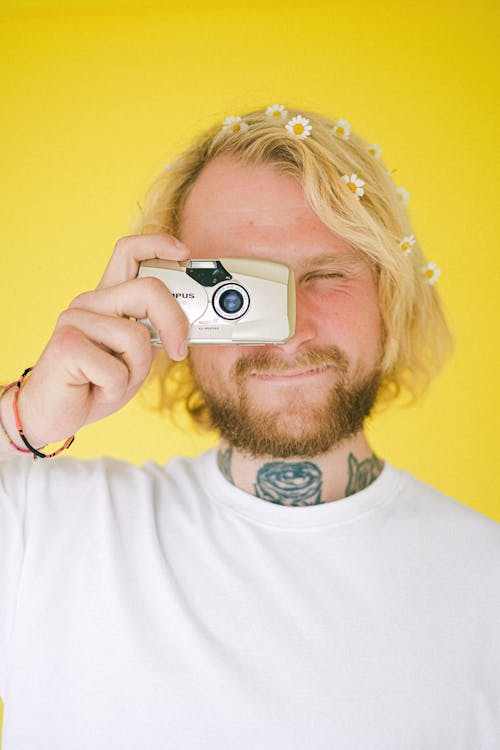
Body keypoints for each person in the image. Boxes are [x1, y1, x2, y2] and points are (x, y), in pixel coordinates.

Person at [0, 106, 499, 749]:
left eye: (325, 275)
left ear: (388, 296)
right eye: (238, 287)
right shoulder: (43, 529)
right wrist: (23, 418)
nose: (290, 329)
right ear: (167, 306)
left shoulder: (487, 584)